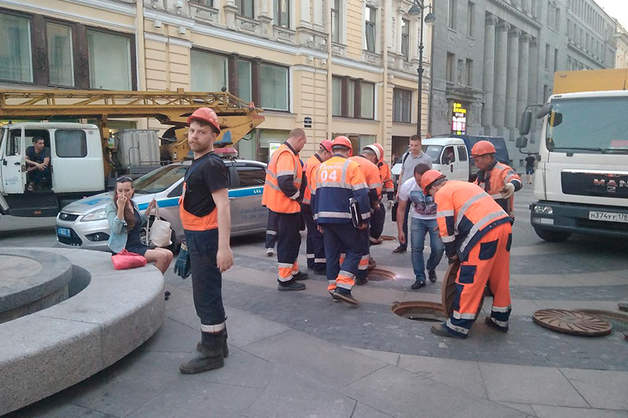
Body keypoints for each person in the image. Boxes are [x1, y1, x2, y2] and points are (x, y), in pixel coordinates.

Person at [175, 107, 234, 374]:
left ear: (213, 135)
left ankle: (212, 354)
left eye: (202, 131)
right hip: (198, 237)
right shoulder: (198, 162)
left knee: (205, 295)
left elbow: (223, 206)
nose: (194, 135)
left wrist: (224, 247)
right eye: (192, 130)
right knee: (208, 292)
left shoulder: (211, 164)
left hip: (207, 239)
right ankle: (218, 342)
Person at [421, 170, 513, 339]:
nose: (432, 198)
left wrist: (452, 254)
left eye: (430, 194)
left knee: (470, 277)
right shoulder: (462, 185)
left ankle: (458, 325)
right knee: (500, 277)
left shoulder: (442, 194)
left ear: (433, 188)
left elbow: (446, 233)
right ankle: (500, 319)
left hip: (484, 234)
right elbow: (469, 213)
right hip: (504, 226)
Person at [311, 136, 371, 305]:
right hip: (345, 218)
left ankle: (333, 288)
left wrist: (318, 220)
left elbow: (314, 195)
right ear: (349, 151)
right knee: (356, 249)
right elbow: (361, 194)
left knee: (332, 253)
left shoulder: (320, 167)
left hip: (324, 217)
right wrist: (364, 219)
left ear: (332, 150)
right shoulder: (352, 166)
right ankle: (343, 288)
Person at [262, 128, 309, 291]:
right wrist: (298, 197)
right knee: (287, 242)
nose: (304, 145)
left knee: (293, 240)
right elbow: (285, 182)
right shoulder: (286, 155)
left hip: (284, 206)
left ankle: (292, 270)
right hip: (285, 206)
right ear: (300, 139)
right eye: (304, 142)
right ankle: (285, 278)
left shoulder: (286, 153)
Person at [106, 177, 173, 274]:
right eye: (120, 191)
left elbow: (138, 223)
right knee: (162, 256)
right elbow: (116, 229)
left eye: (127, 190)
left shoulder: (132, 204)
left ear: (132, 191)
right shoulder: (111, 206)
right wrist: (120, 208)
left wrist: (149, 209)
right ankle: (150, 285)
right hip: (124, 248)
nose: (123, 194)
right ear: (116, 191)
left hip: (137, 244)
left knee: (169, 254)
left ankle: (156, 282)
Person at [396, 164, 444, 290]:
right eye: (418, 181)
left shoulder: (438, 184)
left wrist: (444, 223)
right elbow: (401, 209)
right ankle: (420, 278)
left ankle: (431, 267)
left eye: (424, 180)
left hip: (435, 218)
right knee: (416, 248)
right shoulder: (407, 185)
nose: (421, 183)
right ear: (414, 176)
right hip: (418, 218)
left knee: (438, 248)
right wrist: (401, 230)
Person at [394, 135, 432, 253]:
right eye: (411, 145)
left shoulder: (427, 159)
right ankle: (403, 243)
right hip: (406, 190)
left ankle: (418, 242)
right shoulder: (406, 156)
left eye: (416, 145)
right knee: (402, 216)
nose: (413, 148)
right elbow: (402, 172)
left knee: (420, 216)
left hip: (419, 191)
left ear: (420, 145)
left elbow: (430, 176)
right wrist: (399, 189)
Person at [349, 147, 382, 285]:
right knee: (362, 240)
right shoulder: (372, 167)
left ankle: (345, 272)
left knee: (345, 242)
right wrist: (376, 204)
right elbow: (375, 191)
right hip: (361, 207)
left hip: (344, 208)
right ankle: (361, 275)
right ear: (374, 158)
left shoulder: (347, 161)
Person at [302, 140, 333, 274]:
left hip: (306, 203)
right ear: (325, 152)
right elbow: (316, 191)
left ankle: (311, 261)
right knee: (318, 234)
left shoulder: (311, 161)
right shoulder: (317, 166)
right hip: (311, 204)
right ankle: (320, 266)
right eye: (330, 156)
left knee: (311, 234)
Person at [471, 140, 523, 217]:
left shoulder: (502, 170)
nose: (475, 164)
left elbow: (515, 180)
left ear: (488, 158)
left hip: (501, 218)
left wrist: (512, 185)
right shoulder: (482, 175)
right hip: (487, 217)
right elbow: (472, 189)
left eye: (477, 160)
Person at [363, 143, 394, 244]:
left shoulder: (384, 165)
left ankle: (371, 239)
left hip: (376, 199)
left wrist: (390, 198)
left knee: (378, 222)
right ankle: (365, 248)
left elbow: (388, 180)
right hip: (365, 199)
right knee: (363, 226)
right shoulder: (361, 165)